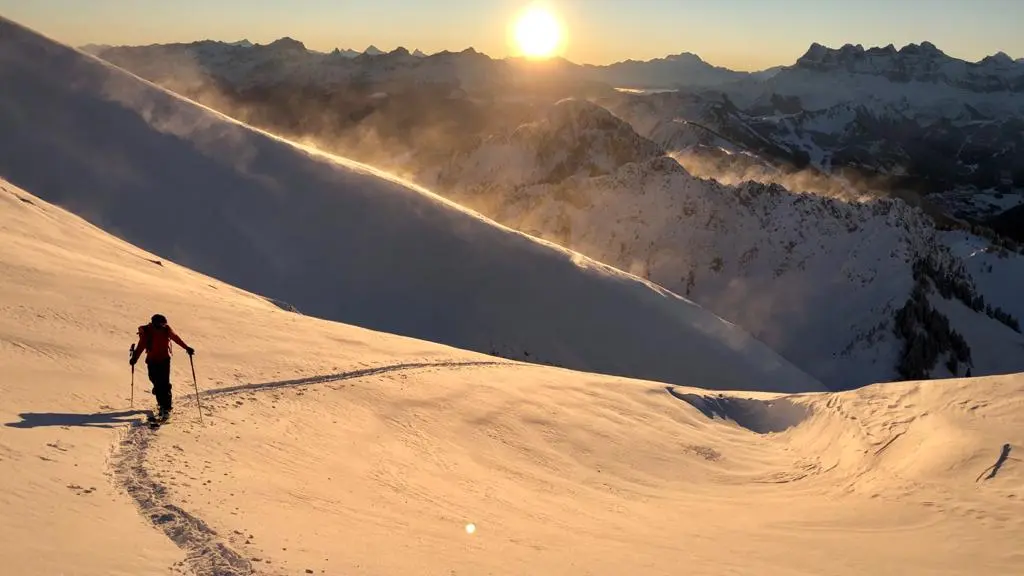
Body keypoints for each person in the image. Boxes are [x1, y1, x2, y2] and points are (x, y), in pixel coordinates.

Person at [130, 313, 194, 420]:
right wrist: (134, 358)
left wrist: (186, 347)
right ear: (155, 323)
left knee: (164, 383)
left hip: (164, 360)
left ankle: (166, 407)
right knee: (155, 381)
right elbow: (141, 345)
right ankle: (162, 405)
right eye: (162, 324)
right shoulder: (147, 332)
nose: (163, 325)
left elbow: (175, 338)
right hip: (152, 361)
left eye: (164, 324)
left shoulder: (166, 329)